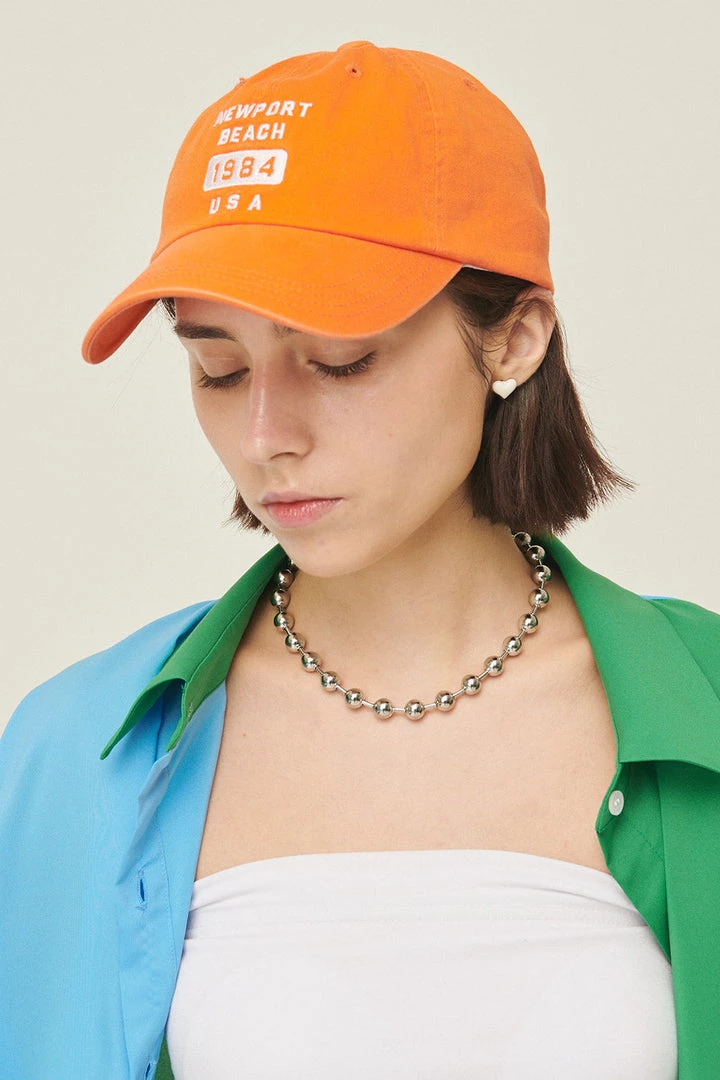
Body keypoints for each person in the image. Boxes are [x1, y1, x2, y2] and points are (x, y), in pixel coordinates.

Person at [1, 40, 719, 1080]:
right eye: (217, 366)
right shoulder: (72, 756)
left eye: (340, 361)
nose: (265, 435)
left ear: (514, 339)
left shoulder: (703, 706)